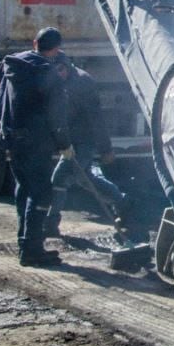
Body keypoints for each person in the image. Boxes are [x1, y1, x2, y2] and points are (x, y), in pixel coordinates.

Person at [0, 26, 72, 267]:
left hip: (11, 140)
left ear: (35, 43)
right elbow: (57, 115)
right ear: (56, 49)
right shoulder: (47, 73)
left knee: (24, 189)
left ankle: (24, 243)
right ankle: (32, 250)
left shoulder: (10, 65)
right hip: (36, 143)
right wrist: (65, 144)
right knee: (41, 194)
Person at [44, 67, 127, 237]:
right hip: (71, 140)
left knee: (60, 177)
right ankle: (122, 202)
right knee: (86, 178)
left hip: (83, 141)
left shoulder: (82, 82)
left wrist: (105, 149)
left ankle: (50, 224)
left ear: (65, 68)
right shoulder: (61, 81)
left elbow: (96, 118)